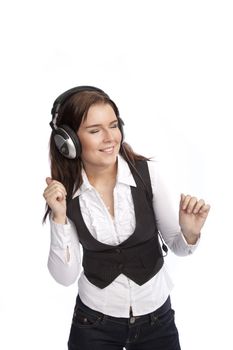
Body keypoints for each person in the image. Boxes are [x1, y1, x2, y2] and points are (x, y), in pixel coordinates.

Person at [43, 85, 210, 350]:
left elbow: (179, 248)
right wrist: (59, 218)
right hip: (93, 323)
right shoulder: (66, 194)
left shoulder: (147, 175)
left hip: (157, 321)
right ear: (69, 142)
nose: (110, 137)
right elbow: (65, 277)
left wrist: (189, 233)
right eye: (95, 131)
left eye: (113, 125)